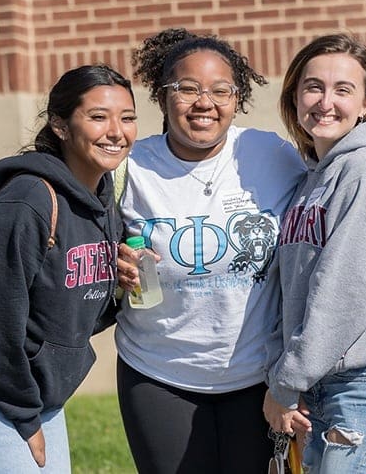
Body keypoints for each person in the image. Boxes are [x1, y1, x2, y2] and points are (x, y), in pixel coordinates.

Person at [0, 64, 137, 473]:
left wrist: (120, 288)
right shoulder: (27, 201)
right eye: (98, 117)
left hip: (33, 390)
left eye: (127, 118)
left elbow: (71, 313)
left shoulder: (103, 201)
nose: (116, 131)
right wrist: (24, 414)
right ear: (61, 126)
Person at [114, 27, 306, 473]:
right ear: (162, 97)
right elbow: (88, 241)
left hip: (256, 378)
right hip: (158, 374)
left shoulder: (270, 154)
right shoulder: (130, 166)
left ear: (237, 97)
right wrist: (114, 263)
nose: (205, 102)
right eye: (188, 88)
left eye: (221, 90)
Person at [260, 33, 366, 473]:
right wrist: (289, 380)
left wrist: (286, 384)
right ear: (294, 96)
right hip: (321, 388)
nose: (325, 101)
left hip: (364, 387)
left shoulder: (365, 171)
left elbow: (346, 293)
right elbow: (289, 290)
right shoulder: (313, 181)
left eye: (343, 90)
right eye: (313, 86)